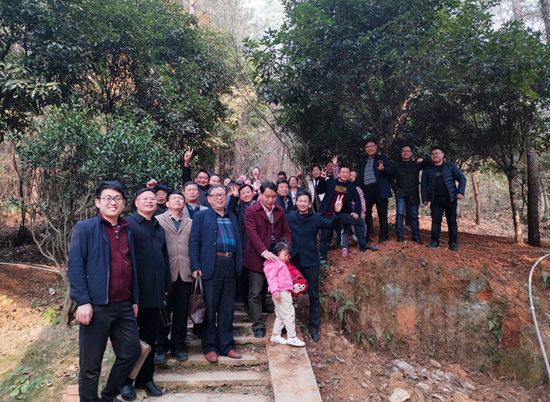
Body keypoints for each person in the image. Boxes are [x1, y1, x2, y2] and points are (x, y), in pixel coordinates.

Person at [68, 181, 141, 402]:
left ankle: (108, 396)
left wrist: (134, 299)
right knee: (91, 363)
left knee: (131, 352)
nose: (113, 202)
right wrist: (83, 301)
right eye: (107, 198)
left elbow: (132, 267)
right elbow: (76, 266)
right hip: (96, 305)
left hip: (124, 304)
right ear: (97, 202)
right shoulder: (85, 228)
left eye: (117, 198)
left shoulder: (126, 229)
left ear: (124, 203)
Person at [121, 188, 171, 400]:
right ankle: (125, 381)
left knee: (150, 338)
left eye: (152, 198)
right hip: (133, 294)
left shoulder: (158, 226)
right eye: (145, 199)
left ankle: (145, 378)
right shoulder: (127, 224)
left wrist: (166, 286)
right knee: (130, 340)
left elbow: (164, 257)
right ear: (136, 202)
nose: (150, 201)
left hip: (155, 292)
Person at [189, 185, 243, 362]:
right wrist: (195, 265)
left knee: (227, 308)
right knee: (210, 308)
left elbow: (238, 240)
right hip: (211, 265)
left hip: (230, 264)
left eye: (222, 194)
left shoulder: (231, 216)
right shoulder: (201, 216)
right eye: (216, 195)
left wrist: (238, 264)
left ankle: (227, 346)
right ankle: (210, 346)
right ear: (209, 198)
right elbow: (194, 243)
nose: (220, 198)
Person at [287, 191, 342, 342]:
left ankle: (313, 327)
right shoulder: (290, 217)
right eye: (300, 201)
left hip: (311, 260)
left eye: (305, 201)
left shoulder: (316, 218)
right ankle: (288, 324)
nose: (302, 204)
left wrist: (337, 212)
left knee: (314, 295)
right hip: (293, 260)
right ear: (296, 202)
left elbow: (331, 225)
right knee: (288, 293)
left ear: (309, 203)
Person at [244, 181, 292, 338]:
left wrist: (285, 249)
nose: (270, 200)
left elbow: (286, 231)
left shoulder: (279, 210)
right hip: (257, 256)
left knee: (279, 288)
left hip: (276, 256)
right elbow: (251, 233)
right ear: (260, 194)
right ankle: (258, 324)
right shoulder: (251, 210)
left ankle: (282, 322)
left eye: (273, 196)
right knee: (255, 291)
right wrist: (263, 251)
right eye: (267, 196)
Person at [154, 190, 193, 364]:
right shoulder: (157, 220)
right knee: (163, 312)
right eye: (174, 198)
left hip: (185, 273)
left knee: (181, 311)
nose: (177, 200)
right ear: (167, 203)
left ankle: (179, 345)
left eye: (180, 198)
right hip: (165, 273)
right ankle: (161, 345)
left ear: (184, 204)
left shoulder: (191, 222)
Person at [318, 164, 378, 261]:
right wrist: (322, 179)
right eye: (343, 172)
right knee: (325, 236)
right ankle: (322, 259)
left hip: (341, 214)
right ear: (338, 174)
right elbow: (319, 191)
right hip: (328, 214)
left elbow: (357, 200)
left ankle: (363, 245)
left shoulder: (351, 186)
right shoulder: (330, 182)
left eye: (347, 173)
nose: (345, 174)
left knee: (359, 221)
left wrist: (356, 212)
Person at [421, 146, 466, 251]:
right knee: (436, 221)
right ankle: (434, 242)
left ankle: (453, 243)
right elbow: (423, 186)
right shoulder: (427, 169)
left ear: (442, 155)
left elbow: (462, 178)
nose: (435, 156)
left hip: (450, 198)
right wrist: (425, 198)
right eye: (433, 154)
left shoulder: (451, 166)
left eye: (437, 153)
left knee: (452, 222)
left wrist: (460, 192)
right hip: (435, 199)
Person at [263, 242, 305, 347]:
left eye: (288, 256)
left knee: (281, 315)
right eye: (285, 254)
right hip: (281, 292)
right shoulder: (275, 263)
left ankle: (275, 335)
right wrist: (275, 291)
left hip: (284, 291)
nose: (287, 257)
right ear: (278, 252)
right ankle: (292, 337)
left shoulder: (280, 263)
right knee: (289, 314)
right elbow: (271, 278)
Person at [391, 145, 429, 243]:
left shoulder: (415, 164)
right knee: (400, 213)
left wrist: (423, 160)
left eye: (408, 151)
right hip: (401, 192)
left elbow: (431, 162)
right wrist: (396, 190)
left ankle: (415, 235)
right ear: (401, 153)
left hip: (413, 193)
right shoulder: (396, 165)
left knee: (414, 215)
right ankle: (400, 235)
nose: (405, 153)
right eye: (403, 151)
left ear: (411, 153)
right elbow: (390, 178)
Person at [358, 139, 393, 243]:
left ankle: (384, 236)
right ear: (365, 149)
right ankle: (366, 235)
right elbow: (361, 176)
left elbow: (390, 171)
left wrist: (383, 169)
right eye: (367, 147)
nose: (370, 148)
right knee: (365, 212)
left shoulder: (382, 158)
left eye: (372, 146)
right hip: (366, 190)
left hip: (379, 188)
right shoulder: (363, 161)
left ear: (376, 147)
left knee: (382, 213)